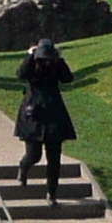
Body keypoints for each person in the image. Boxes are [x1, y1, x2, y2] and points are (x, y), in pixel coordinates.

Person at [15, 38, 76, 201]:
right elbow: (20, 74)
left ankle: (51, 193)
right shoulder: (32, 66)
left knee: (54, 159)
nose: (45, 61)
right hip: (33, 114)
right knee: (33, 155)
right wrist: (29, 56)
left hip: (54, 114)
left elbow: (68, 78)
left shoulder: (56, 65)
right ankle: (23, 167)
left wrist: (60, 60)